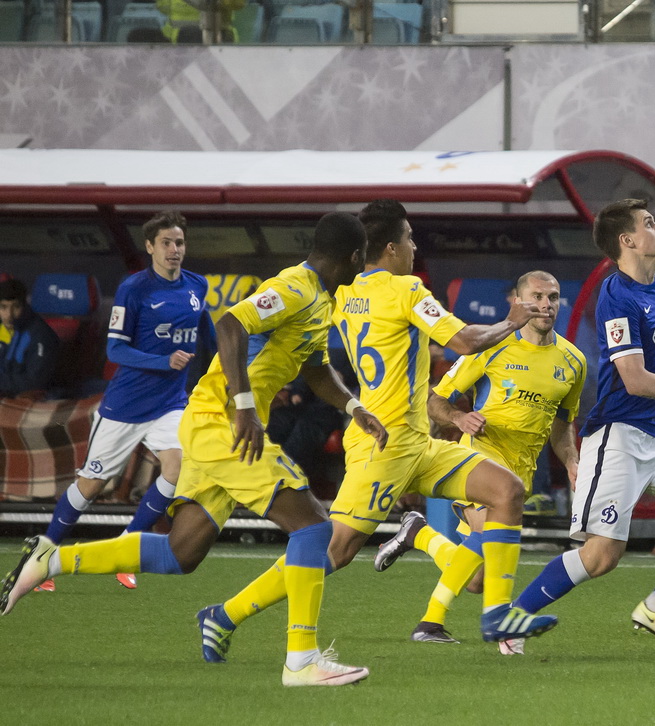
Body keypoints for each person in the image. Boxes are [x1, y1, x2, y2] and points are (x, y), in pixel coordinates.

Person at [1, 212, 389, 688]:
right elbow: (229, 325)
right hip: (221, 422)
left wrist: (353, 407)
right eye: (361, 260)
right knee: (313, 527)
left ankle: (50, 561)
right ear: (352, 258)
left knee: (179, 554)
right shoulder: (295, 286)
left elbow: (313, 368)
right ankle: (301, 661)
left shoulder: (321, 300)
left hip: (214, 426)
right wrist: (245, 406)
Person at [195, 199, 559, 663]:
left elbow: (315, 358)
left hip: (414, 442)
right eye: (409, 239)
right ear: (390, 247)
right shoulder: (407, 288)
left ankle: (496, 614)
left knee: (505, 491)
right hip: (383, 448)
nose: (414, 247)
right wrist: (513, 319)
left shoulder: (341, 292)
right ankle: (224, 615)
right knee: (333, 551)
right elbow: (464, 341)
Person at [508, 198, 655, 656]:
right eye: (649, 223)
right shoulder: (616, 294)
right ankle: (512, 620)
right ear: (627, 240)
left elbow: (651, 361)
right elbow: (633, 379)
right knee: (602, 557)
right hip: (616, 437)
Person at [374, 270, 586, 647]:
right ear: (516, 303)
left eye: (553, 297)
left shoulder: (573, 361)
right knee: (488, 527)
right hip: (480, 461)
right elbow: (434, 399)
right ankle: (437, 622)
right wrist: (458, 417)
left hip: (522, 472)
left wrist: (571, 459)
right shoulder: (491, 348)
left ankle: (419, 534)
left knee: (477, 580)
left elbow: (562, 426)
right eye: (536, 297)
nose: (545, 305)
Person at [30, 212, 215, 593]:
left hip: (170, 403)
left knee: (176, 469)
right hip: (125, 405)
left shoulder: (197, 286)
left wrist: (223, 373)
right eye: (166, 243)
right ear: (150, 247)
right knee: (92, 483)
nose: (174, 250)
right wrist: (162, 361)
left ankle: (126, 547)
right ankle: (43, 555)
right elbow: (115, 348)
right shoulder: (134, 289)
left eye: (179, 242)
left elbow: (207, 334)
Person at [0, 278, 60, 399]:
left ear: (25, 304)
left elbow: (36, 383)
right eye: (3, 307)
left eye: (15, 307)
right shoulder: (3, 327)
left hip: (26, 400)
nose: (9, 315)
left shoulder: (41, 335)